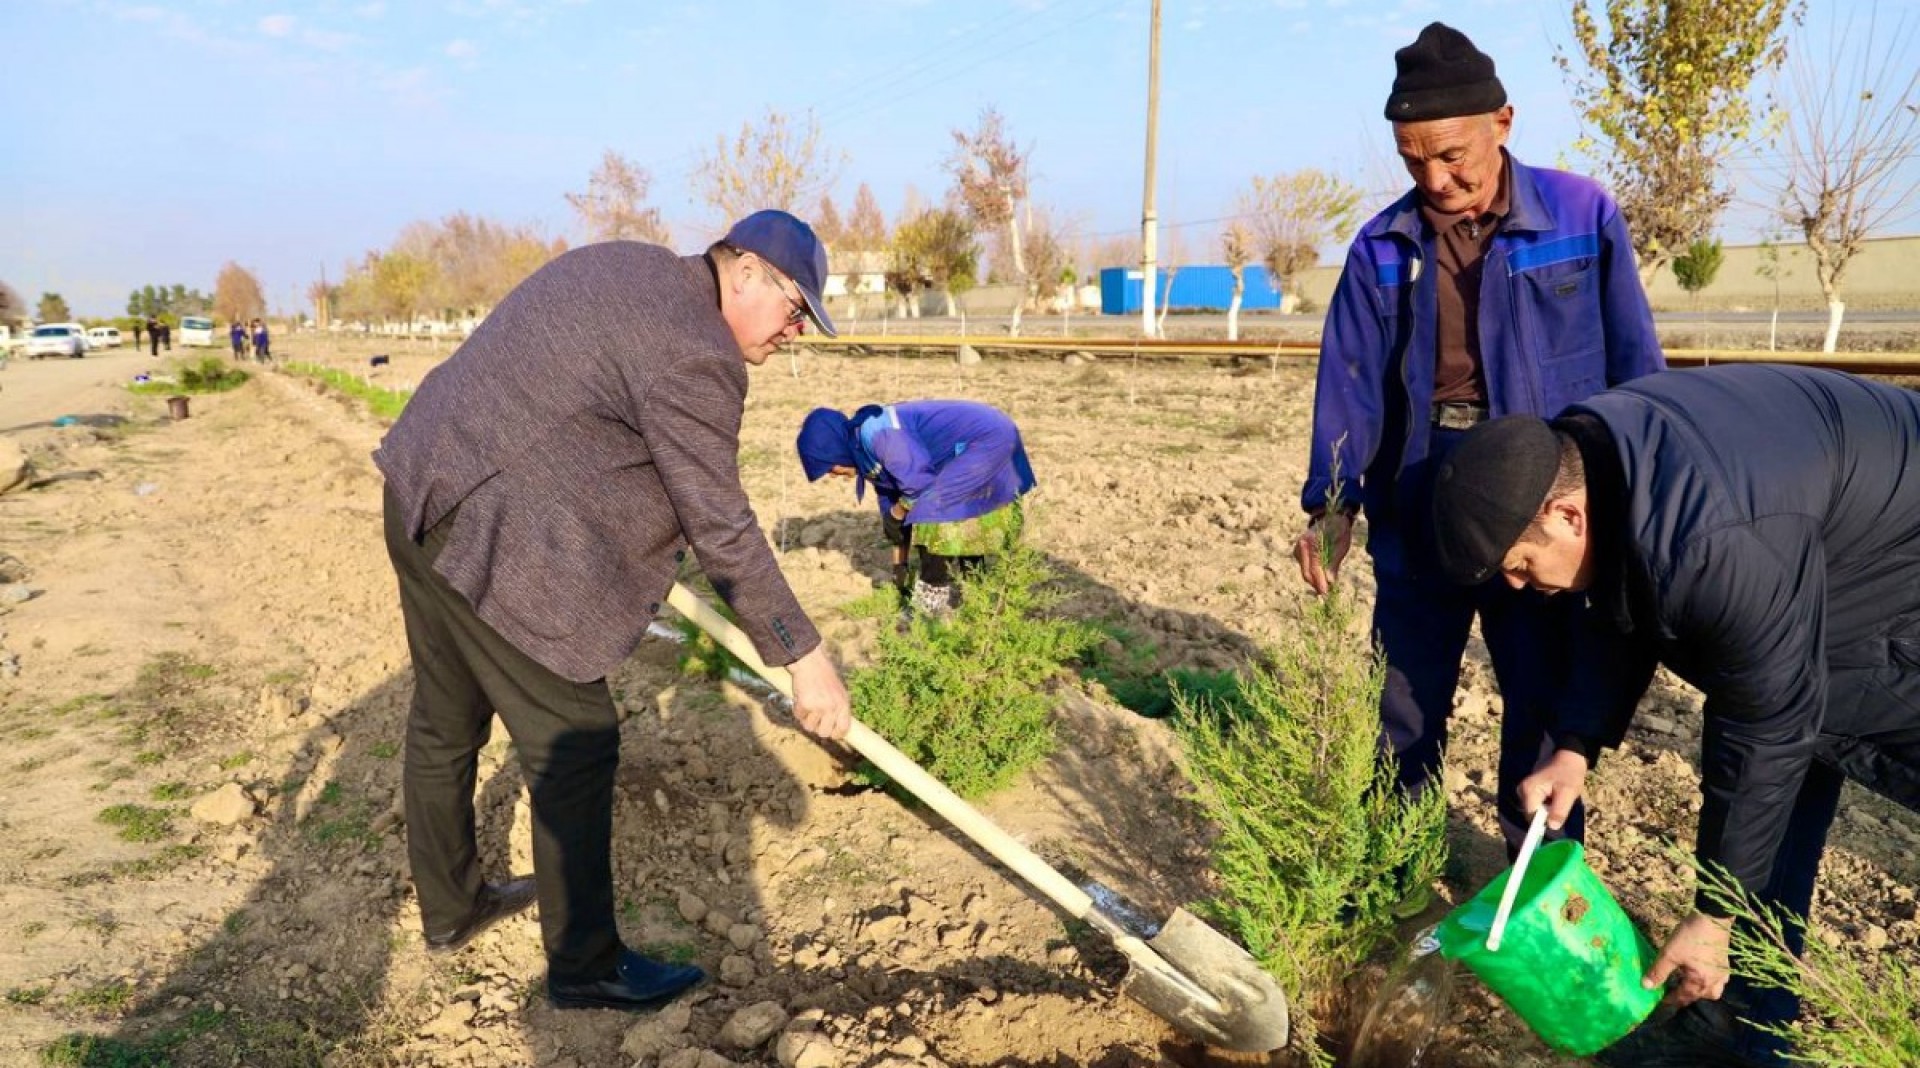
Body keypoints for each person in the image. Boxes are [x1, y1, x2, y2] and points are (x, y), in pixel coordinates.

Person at [373, 209, 853, 1014]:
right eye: (796, 307)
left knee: (445, 721)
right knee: (580, 739)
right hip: (488, 533)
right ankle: (586, 965)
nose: (796, 330)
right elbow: (720, 521)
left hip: (420, 485)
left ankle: (453, 911)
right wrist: (804, 657)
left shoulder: (632, 266)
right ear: (743, 274)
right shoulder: (698, 353)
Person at [1430, 364, 1920, 1068]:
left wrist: (1712, 915)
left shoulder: (1714, 541)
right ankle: (1750, 1027)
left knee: (1785, 739)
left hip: (1897, 571)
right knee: (1772, 785)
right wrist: (1575, 744)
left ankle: (1760, 1022)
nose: (1517, 585)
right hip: (1825, 538)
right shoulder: (1605, 458)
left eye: (1517, 562)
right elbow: (1622, 600)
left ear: (1565, 515)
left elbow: (1767, 722)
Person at [1291, 21, 1664, 860]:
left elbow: (1637, 361)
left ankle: (1537, 896)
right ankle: (1388, 872)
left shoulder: (1581, 214)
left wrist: (1636, 488)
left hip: (1542, 491)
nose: (1436, 177)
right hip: (1423, 487)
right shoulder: (1383, 245)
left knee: (1540, 699)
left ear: (1503, 121)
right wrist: (1334, 502)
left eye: (1452, 154)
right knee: (1404, 698)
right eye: (1413, 159)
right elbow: (1349, 382)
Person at [795, 399, 1036, 616]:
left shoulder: (879, 437)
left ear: (834, 449)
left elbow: (918, 487)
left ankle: (930, 605)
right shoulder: (861, 448)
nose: (833, 475)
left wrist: (898, 513)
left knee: (934, 511)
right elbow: (892, 499)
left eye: (829, 467)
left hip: (986, 437)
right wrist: (899, 566)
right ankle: (978, 593)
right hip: (983, 436)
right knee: (957, 514)